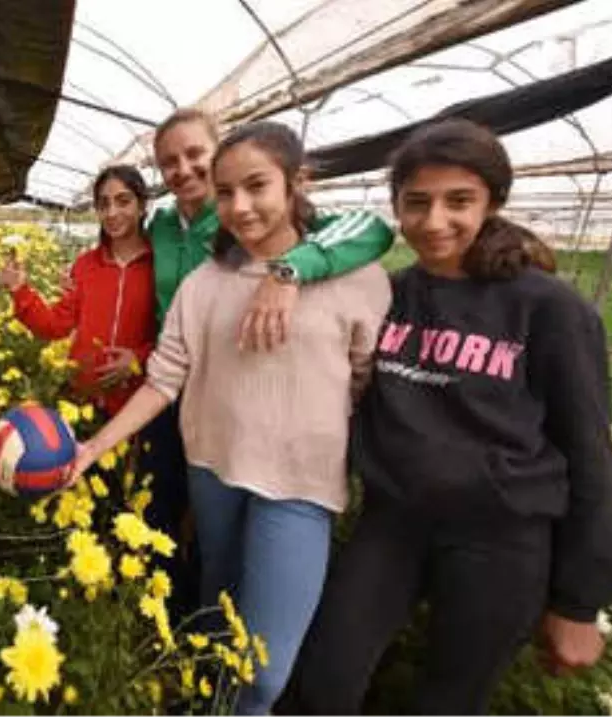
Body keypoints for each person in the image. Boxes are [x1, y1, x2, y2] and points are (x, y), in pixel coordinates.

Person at [292, 120, 612, 717]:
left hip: (501, 537)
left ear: (493, 203)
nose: (433, 220)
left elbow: (590, 452)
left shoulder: (547, 308)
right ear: (396, 206)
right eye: (416, 202)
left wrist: (581, 601)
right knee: (323, 680)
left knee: (449, 702)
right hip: (393, 523)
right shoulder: (386, 293)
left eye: (459, 201)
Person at [69, 122, 391, 714]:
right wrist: (95, 446)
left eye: (257, 186)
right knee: (218, 610)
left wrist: (289, 275)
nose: (240, 207)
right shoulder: (204, 283)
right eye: (226, 193)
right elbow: (164, 377)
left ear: (297, 183)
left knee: (264, 670)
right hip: (212, 469)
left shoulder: (359, 280)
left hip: (299, 485)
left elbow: (367, 380)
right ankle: (205, 702)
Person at [139, 107, 396, 621]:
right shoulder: (162, 226)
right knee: (198, 541)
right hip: (190, 396)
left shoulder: (297, 232)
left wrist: (287, 271)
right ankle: (196, 642)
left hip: (289, 451)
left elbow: (371, 228)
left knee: (262, 609)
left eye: (195, 155)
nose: (183, 170)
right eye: (169, 162)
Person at [0, 164, 156, 418]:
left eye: (123, 201)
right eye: (103, 204)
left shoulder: (160, 265)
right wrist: (20, 291)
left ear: (142, 206)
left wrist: (139, 358)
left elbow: (174, 336)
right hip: (81, 401)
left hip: (137, 405)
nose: (112, 212)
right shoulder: (85, 265)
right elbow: (54, 326)